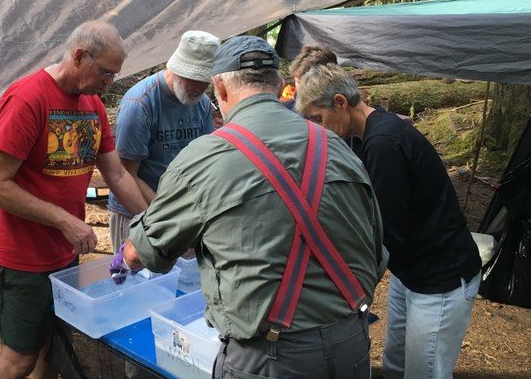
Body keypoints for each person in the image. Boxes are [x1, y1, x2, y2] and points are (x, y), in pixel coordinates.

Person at [112, 36, 387, 379]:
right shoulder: (338, 146)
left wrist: (124, 257)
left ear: (220, 90)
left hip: (269, 358)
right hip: (352, 343)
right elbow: (377, 249)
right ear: (282, 86)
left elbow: (142, 253)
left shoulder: (205, 157)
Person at [0, 20, 148, 379]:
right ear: (78, 56)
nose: (109, 84)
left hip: (64, 256)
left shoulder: (93, 106)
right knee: (20, 359)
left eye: (114, 76)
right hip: (21, 257)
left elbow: (117, 174)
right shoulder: (28, 99)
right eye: (105, 73)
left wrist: (152, 222)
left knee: (53, 352)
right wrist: (65, 220)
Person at [295, 63, 482, 379]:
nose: (318, 128)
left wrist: (336, 278)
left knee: (425, 372)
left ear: (340, 102)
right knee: (395, 365)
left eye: (318, 119)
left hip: (442, 277)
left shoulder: (384, 142)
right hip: (409, 273)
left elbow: (384, 230)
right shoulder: (363, 137)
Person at [108, 29, 220, 253]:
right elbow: (127, 172)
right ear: (176, 70)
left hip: (180, 214)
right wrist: (164, 212)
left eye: (205, 82)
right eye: (193, 79)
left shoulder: (202, 103)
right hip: (136, 210)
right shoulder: (140, 104)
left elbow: (204, 160)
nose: (199, 88)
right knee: (134, 282)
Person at [281, 44, 337, 108]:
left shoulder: (340, 109)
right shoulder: (286, 109)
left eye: (308, 84)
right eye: (298, 82)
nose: (302, 89)